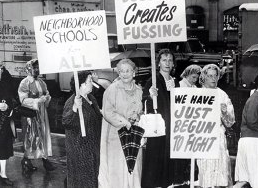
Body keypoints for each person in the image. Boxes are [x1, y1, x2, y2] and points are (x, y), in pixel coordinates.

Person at [142, 49, 190, 188]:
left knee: (169, 157)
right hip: (159, 126)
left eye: (170, 60)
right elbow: (144, 102)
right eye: (164, 60)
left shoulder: (174, 81)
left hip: (172, 126)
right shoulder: (153, 80)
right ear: (158, 63)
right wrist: (151, 96)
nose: (167, 63)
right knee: (157, 156)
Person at [98, 59, 143, 188]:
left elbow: (141, 111)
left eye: (128, 70)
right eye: (121, 71)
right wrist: (125, 122)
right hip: (116, 137)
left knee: (133, 168)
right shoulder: (112, 90)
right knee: (118, 170)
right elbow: (108, 112)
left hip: (134, 136)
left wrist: (138, 116)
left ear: (133, 73)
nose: (124, 74)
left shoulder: (139, 90)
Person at [196, 64, 235, 188]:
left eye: (215, 75)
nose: (213, 78)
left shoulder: (222, 95)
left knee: (220, 174)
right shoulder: (196, 94)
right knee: (205, 172)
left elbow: (230, 122)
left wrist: (224, 112)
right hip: (202, 138)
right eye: (210, 76)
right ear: (204, 77)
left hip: (218, 138)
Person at [62, 71, 102, 188]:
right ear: (81, 85)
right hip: (80, 150)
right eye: (89, 81)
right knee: (82, 181)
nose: (92, 83)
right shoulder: (72, 101)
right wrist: (75, 107)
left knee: (92, 179)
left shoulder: (91, 98)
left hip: (92, 147)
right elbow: (66, 122)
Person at [18, 59, 55, 172]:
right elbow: (23, 100)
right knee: (31, 137)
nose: (37, 69)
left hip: (42, 114)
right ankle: (26, 160)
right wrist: (38, 101)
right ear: (29, 69)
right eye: (34, 67)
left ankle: (44, 159)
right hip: (31, 115)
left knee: (43, 135)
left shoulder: (42, 82)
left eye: (38, 67)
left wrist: (47, 98)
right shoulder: (25, 82)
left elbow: (47, 94)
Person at [0, 61, 15, 186]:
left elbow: (12, 96)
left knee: (3, 145)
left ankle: (3, 174)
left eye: (0, 66)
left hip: (3, 119)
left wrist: (9, 107)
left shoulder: (6, 77)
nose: (0, 69)